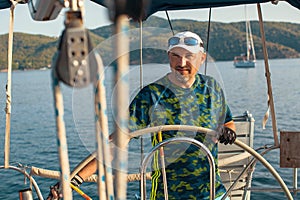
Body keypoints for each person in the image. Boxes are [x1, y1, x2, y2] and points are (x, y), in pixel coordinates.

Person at [47, 31, 236, 200]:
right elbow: (117, 142)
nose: (182, 63)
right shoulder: (151, 95)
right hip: (167, 195)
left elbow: (228, 121)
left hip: (213, 192)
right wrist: (73, 180)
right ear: (168, 57)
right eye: (175, 56)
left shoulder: (212, 88)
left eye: (189, 56)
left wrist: (227, 131)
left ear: (202, 58)